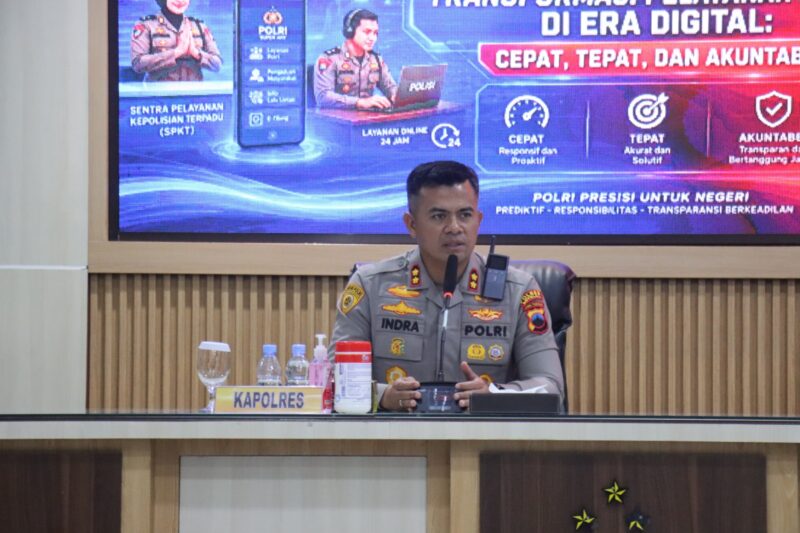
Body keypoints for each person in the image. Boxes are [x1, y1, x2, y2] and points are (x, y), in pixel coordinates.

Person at [330, 161, 565, 412]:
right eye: (439, 216)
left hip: (482, 433)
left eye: (465, 215)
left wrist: (494, 395)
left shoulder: (518, 290)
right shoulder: (370, 286)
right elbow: (333, 379)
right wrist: (382, 395)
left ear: (478, 220)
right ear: (411, 224)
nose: (454, 228)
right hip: (395, 432)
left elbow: (550, 387)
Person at [314, 9, 397, 110]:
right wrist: (359, 102)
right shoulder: (329, 59)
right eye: (367, 32)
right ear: (350, 31)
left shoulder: (376, 60)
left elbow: (390, 87)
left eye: (375, 33)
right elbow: (323, 97)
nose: (372, 38)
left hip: (368, 118)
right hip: (336, 118)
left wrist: (396, 96)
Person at [131, 0, 222, 82]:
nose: (180, 1)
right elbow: (137, 64)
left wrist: (196, 54)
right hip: (159, 92)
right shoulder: (146, 25)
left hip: (194, 92)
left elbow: (217, 65)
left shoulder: (199, 25)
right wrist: (175, 53)